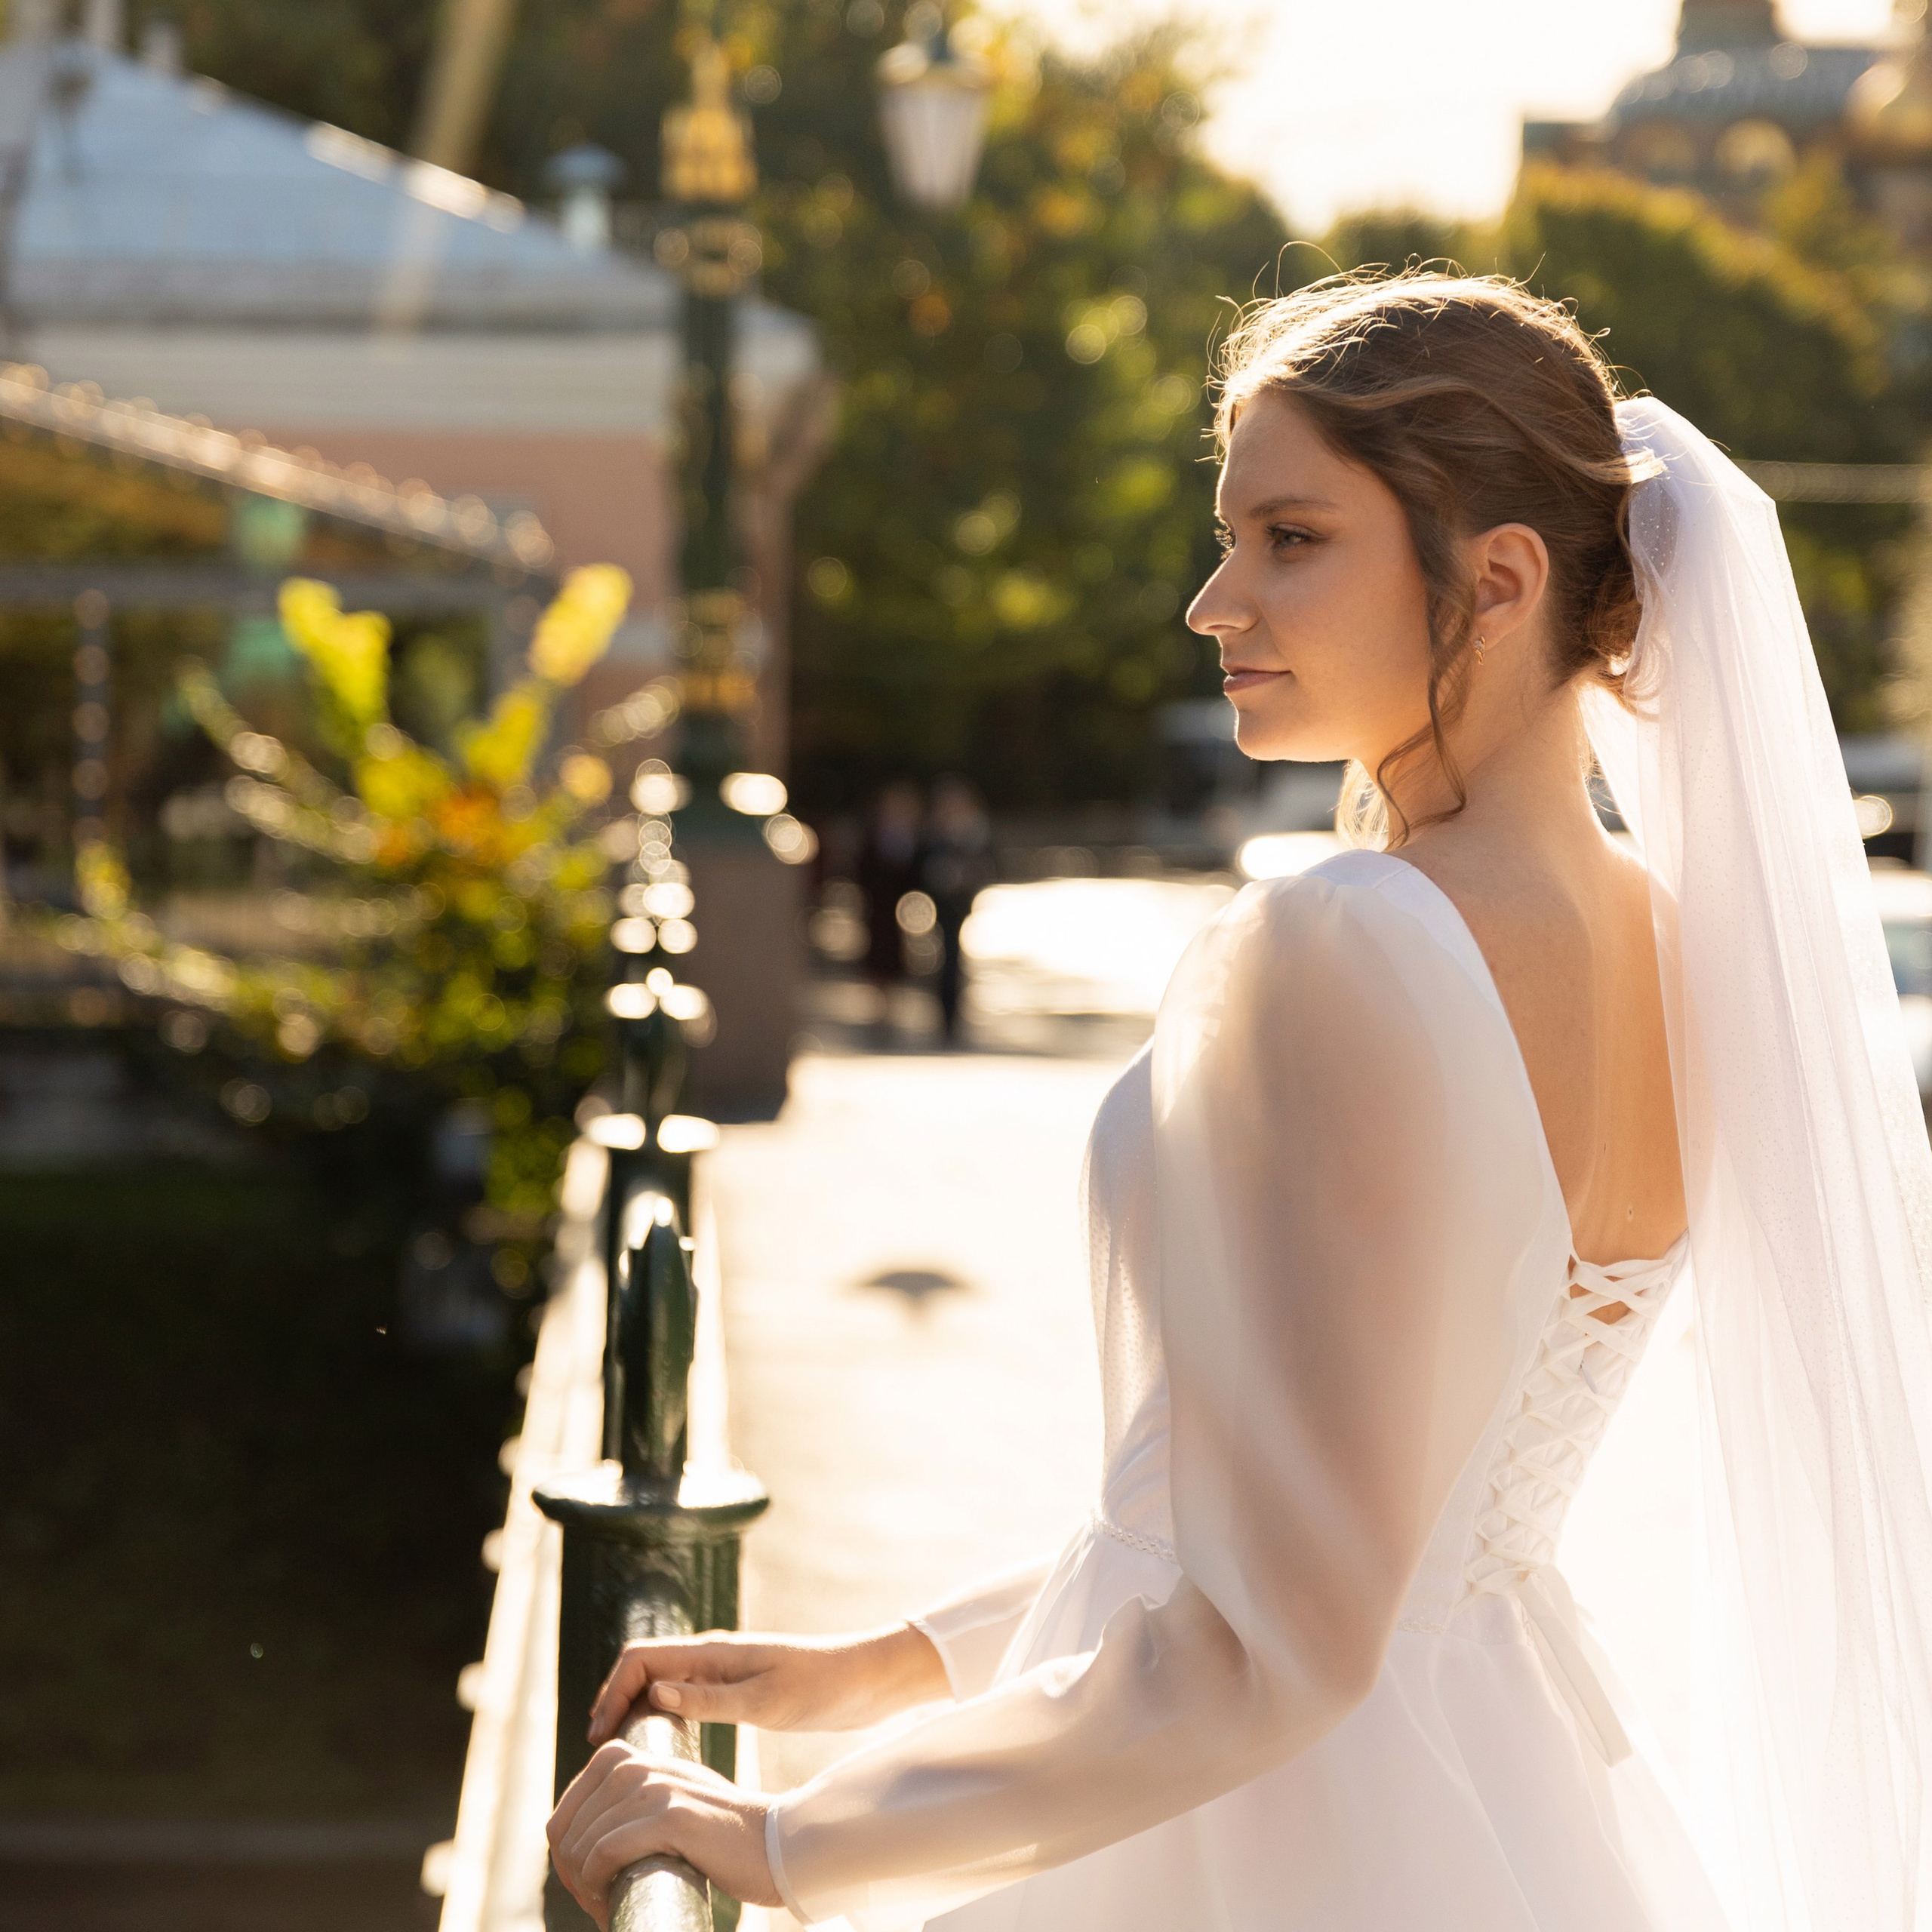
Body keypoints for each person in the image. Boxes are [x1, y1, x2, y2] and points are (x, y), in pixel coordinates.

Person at [546, 275, 1932, 1931]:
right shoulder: (1671, 946)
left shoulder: (1344, 939)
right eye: (1231, 538)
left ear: (1493, 578)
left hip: (1262, 1835)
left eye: (1289, 537)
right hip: (1504, 1793)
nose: (1214, 600)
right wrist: (882, 1667)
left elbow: (1276, 1637)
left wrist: (793, 1842)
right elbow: (1344, 1520)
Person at [915, 777, 996, 1043]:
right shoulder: (934, 833)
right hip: (938, 905)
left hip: (961, 903)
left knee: (954, 959)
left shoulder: (975, 832)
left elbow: (990, 863)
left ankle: (952, 1016)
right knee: (945, 960)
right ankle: (945, 1016)